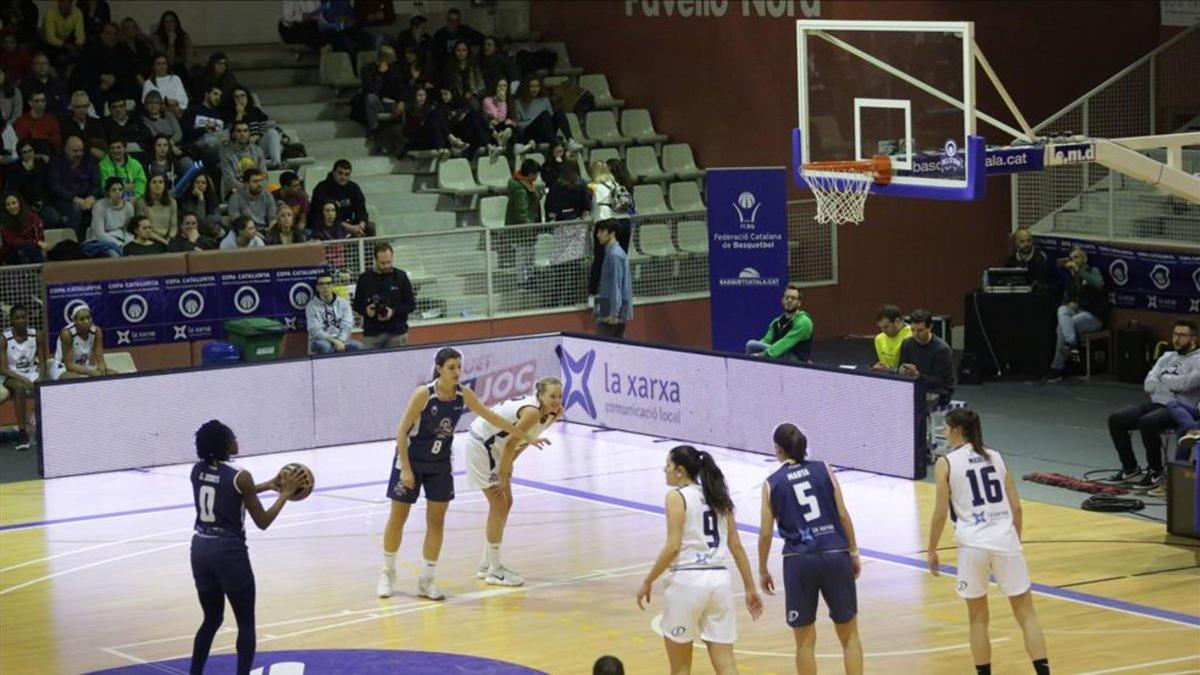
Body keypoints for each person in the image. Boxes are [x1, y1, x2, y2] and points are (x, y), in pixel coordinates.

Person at [377, 347, 551, 600]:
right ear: (439, 369)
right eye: (451, 368)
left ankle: (426, 581)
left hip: (439, 464)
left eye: (459, 367)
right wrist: (404, 467)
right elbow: (401, 431)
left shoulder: (463, 394)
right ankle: (387, 573)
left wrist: (526, 436)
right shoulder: (423, 394)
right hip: (411, 461)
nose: (457, 372)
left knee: (436, 522)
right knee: (398, 517)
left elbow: (491, 416)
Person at [927, 409, 1051, 675]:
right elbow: (1016, 507)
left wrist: (932, 548)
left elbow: (939, 512)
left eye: (947, 428)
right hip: (1005, 540)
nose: (945, 433)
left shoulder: (946, 462)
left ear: (958, 430)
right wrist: (1012, 540)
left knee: (978, 619)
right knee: (1027, 615)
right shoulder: (996, 456)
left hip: (972, 544)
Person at [188, 419, 302, 675]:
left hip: (200, 548)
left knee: (211, 619)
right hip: (228, 552)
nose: (236, 440)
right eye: (232, 436)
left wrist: (268, 485)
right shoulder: (241, 476)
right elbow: (262, 521)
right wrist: (285, 493)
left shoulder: (197, 471)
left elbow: (229, 493)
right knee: (246, 624)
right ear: (225, 444)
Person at [636, 445, 762, 675]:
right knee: (726, 665)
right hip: (720, 582)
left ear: (680, 471)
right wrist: (750, 587)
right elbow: (736, 545)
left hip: (687, 580)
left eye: (668, 465)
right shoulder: (719, 496)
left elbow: (673, 547)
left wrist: (648, 580)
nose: (664, 470)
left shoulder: (676, 496)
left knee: (681, 668)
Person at [758, 423, 862, 675]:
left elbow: (765, 533)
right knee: (849, 635)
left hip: (799, 559)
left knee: (804, 641)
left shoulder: (772, 483)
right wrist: (854, 551)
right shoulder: (824, 469)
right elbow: (843, 516)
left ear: (778, 450)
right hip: (835, 552)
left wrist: (762, 569)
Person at [465, 377, 563, 586]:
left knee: (506, 503)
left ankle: (486, 564)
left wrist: (509, 466)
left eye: (559, 396)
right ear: (540, 395)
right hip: (483, 445)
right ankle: (494, 569)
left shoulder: (554, 413)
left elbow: (525, 440)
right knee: (499, 503)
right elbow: (510, 443)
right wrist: (503, 471)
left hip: (498, 449)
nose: (556, 400)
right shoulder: (533, 412)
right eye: (552, 396)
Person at [1102, 319, 1199, 490]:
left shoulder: (1197, 360)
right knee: (1116, 419)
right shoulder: (1167, 356)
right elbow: (1148, 384)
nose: (1177, 339)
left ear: (1193, 339)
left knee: (1148, 422)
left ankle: (1156, 472)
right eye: (1175, 334)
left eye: (1182, 335)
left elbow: (1186, 384)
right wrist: (1170, 384)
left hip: (1180, 408)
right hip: (1156, 403)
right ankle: (1130, 468)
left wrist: (1163, 379)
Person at [1045, 246, 1107, 382]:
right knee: (1062, 310)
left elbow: (1099, 284)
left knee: (1062, 327)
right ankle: (1071, 342)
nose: (1073, 261)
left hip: (1093, 316)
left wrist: (1080, 271)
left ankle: (1057, 368)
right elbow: (1066, 299)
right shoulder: (1072, 279)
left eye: (1077, 257)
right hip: (1076, 313)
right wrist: (1069, 304)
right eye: (1071, 258)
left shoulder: (1092, 271)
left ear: (1084, 260)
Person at [353, 241, 414, 348]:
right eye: (382, 263)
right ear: (375, 260)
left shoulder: (401, 277)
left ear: (392, 258)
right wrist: (366, 311)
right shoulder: (364, 279)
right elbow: (357, 304)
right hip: (372, 333)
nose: (386, 266)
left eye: (388, 262)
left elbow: (410, 305)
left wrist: (393, 311)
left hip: (396, 332)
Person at [587, 159, 633, 299]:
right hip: (624, 222)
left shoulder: (594, 186)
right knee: (621, 259)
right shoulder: (617, 184)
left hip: (605, 223)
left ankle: (593, 294)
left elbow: (594, 208)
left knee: (600, 259)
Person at [0, 303, 41, 450]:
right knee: (19, 388)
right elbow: (3, 369)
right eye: (17, 318)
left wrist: (42, 378)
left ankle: (42, 426)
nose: (21, 321)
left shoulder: (36, 335)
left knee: (46, 385)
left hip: (31, 372)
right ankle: (22, 431)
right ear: (11, 320)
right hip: (10, 375)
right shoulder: (4, 338)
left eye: (23, 317)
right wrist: (23, 379)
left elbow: (42, 363)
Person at [898, 309, 956, 407]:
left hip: (940, 391)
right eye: (913, 330)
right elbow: (901, 367)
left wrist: (918, 376)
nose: (915, 334)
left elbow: (940, 381)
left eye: (920, 330)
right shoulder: (907, 344)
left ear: (930, 328)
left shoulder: (942, 349)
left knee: (917, 403)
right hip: (917, 385)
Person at [745, 284, 814, 362]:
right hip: (778, 354)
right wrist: (756, 353)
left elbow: (786, 343)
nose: (789, 300)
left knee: (751, 345)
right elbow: (765, 341)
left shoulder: (804, 321)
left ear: (799, 303)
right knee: (751, 345)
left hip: (797, 360)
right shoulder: (776, 322)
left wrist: (763, 354)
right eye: (787, 297)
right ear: (782, 300)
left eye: (793, 298)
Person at [47, 135, 98, 237]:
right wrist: (74, 198)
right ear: (66, 150)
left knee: (101, 205)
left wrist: (92, 196)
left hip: (86, 198)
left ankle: (96, 241)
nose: (79, 154)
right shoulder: (56, 161)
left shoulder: (89, 160)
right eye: (75, 151)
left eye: (81, 151)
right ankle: (73, 241)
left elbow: (96, 182)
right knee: (75, 209)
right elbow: (55, 186)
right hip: (64, 200)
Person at [308, 159, 371, 237]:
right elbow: (319, 215)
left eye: (347, 174)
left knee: (369, 229)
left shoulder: (354, 188)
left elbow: (362, 210)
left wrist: (361, 226)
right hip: (327, 225)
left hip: (350, 224)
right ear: (334, 172)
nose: (343, 177)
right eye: (340, 173)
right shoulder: (322, 188)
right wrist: (350, 228)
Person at [226, 86, 282, 170]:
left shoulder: (255, 111)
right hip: (241, 150)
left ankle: (276, 163)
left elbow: (264, 127)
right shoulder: (229, 114)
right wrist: (239, 115)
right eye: (236, 97)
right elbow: (231, 134)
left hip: (259, 146)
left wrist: (258, 136)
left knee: (272, 132)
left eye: (242, 96)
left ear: (247, 97)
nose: (240, 99)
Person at [594, 219, 632, 339]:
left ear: (612, 233)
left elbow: (616, 285)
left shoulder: (614, 255)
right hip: (613, 309)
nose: (598, 235)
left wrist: (614, 314)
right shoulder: (612, 253)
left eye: (602, 231)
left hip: (611, 313)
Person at [49, 303, 108, 380]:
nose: (86, 322)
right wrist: (91, 373)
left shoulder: (97, 331)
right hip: (62, 367)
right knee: (76, 379)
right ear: (74, 321)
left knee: (112, 374)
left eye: (88, 318)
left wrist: (102, 369)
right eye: (82, 319)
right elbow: (69, 366)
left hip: (83, 366)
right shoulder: (67, 333)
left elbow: (100, 359)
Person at [306, 272, 359, 354]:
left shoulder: (343, 303)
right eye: (321, 284)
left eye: (328, 283)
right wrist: (334, 341)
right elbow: (315, 330)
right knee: (325, 347)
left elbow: (347, 325)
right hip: (321, 341)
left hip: (342, 339)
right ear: (317, 287)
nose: (325, 287)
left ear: (333, 285)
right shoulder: (311, 306)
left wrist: (340, 340)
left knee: (358, 346)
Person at [86, 175, 133, 256]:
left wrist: (128, 244)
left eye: (120, 189)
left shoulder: (128, 206)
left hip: (121, 240)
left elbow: (128, 229)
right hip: (101, 241)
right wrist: (119, 244)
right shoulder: (99, 206)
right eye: (114, 190)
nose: (118, 192)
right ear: (108, 192)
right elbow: (99, 233)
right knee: (114, 254)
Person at [220, 121, 268, 199]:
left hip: (256, 189)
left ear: (249, 134)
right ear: (233, 134)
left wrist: (258, 187)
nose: (242, 134)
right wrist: (247, 189)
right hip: (234, 190)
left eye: (245, 131)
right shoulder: (226, 153)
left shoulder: (258, 150)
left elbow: (264, 174)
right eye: (239, 131)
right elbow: (229, 178)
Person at [0, 191, 48, 264]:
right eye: (8, 205)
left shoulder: (32, 217)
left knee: (34, 252)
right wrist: (35, 243)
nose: (12, 207)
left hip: (33, 250)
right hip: (12, 252)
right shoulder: (3, 222)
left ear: (19, 203)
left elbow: (39, 236)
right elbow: (13, 242)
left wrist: (37, 244)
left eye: (14, 203)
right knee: (22, 253)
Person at [59, 90, 107, 160]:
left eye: (85, 106)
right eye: (78, 107)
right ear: (72, 107)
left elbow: (102, 143)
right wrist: (91, 149)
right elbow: (69, 144)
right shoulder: (65, 124)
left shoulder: (96, 123)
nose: (82, 110)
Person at [1003, 226, 1052, 292]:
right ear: (1016, 243)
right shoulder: (1012, 259)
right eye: (1022, 241)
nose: (1026, 244)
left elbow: (1041, 281)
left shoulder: (1040, 258)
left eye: (1029, 240)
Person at [13, 91, 62, 156]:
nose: (40, 104)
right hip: (29, 155)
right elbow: (23, 143)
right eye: (36, 101)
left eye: (43, 101)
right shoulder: (21, 121)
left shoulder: (51, 120)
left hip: (50, 154)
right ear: (30, 103)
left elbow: (57, 141)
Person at [133, 173, 177, 244]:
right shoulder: (141, 202)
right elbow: (143, 228)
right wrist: (163, 241)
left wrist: (169, 239)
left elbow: (174, 227)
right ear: (149, 185)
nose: (158, 185)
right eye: (154, 182)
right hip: (149, 238)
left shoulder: (172, 202)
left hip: (169, 239)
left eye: (160, 182)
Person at [143, 52, 189, 119]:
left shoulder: (175, 79)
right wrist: (165, 104)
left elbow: (184, 99)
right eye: (158, 64)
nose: (162, 66)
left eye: (164, 63)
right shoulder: (148, 83)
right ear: (153, 66)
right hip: (159, 112)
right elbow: (146, 102)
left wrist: (175, 102)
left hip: (178, 110)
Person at [177, 172, 221, 239]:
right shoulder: (186, 199)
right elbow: (198, 220)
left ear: (207, 185)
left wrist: (207, 221)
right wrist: (201, 199)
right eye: (197, 182)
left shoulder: (213, 199)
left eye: (203, 183)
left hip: (210, 232)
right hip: (191, 232)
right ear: (192, 184)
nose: (200, 185)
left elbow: (217, 218)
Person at [871, 304, 913, 372]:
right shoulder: (879, 339)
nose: (883, 331)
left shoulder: (911, 337)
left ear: (897, 321)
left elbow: (910, 371)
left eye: (886, 327)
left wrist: (888, 370)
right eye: (881, 328)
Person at [150, 10, 189, 76]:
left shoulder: (184, 37)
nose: (169, 24)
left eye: (171, 21)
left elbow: (188, 58)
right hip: (164, 68)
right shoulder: (157, 38)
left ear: (176, 23)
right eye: (166, 22)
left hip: (181, 68)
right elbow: (168, 61)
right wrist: (171, 43)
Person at [505, 158, 540, 225]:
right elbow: (521, 213)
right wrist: (531, 226)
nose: (537, 176)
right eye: (536, 174)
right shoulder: (520, 190)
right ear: (530, 174)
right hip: (520, 230)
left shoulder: (525, 184)